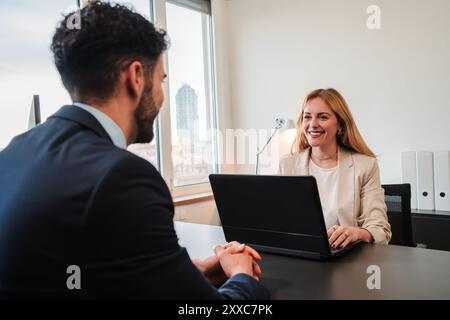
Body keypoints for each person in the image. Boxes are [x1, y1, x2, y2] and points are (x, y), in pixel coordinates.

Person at [0, 2, 268, 300]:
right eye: (161, 80)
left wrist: (194, 271)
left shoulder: (13, 153)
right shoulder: (121, 177)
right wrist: (241, 274)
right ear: (136, 77)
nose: (162, 94)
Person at [279, 88, 391, 248]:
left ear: (340, 125)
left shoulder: (365, 166)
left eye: (323, 117)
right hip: (302, 255)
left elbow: (380, 228)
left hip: (346, 257)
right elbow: (280, 221)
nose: (313, 124)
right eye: (307, 117)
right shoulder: (287, 165)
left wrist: (357, 233)